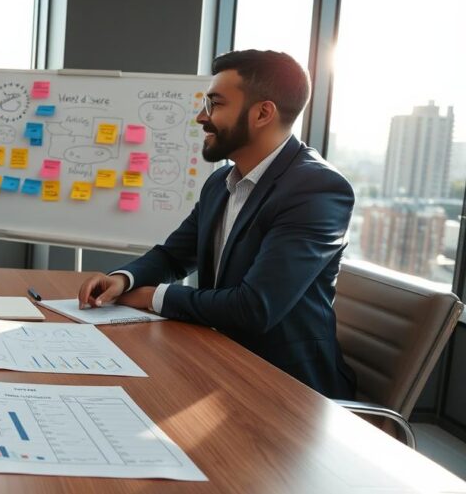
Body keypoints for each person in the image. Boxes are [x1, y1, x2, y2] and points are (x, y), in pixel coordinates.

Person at [77, 49, 356, 399]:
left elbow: (254, 308)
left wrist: (152, 297)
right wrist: (123, 279)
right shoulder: (222, 182)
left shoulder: (317, 190)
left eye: (215, 105)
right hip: (220, 360)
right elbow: (173, 256)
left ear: (262, 113)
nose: (200, 117)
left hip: (287, 387)